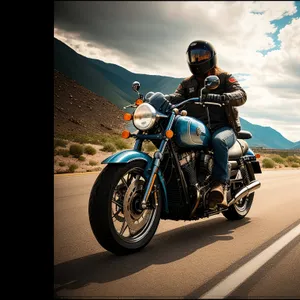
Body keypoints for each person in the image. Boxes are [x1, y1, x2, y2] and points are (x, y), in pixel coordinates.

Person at [165, 40, 247, 210]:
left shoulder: (224, 77)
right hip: (198, 130)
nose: (197, 60)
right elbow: (176, 96)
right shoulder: (187, 83)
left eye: (202, 55)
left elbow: (241, 94)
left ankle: (220, 185)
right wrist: (162, 99)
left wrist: (225, 97)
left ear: (211, 57)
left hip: (223, 128)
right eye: (194, 56)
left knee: (218, 141)